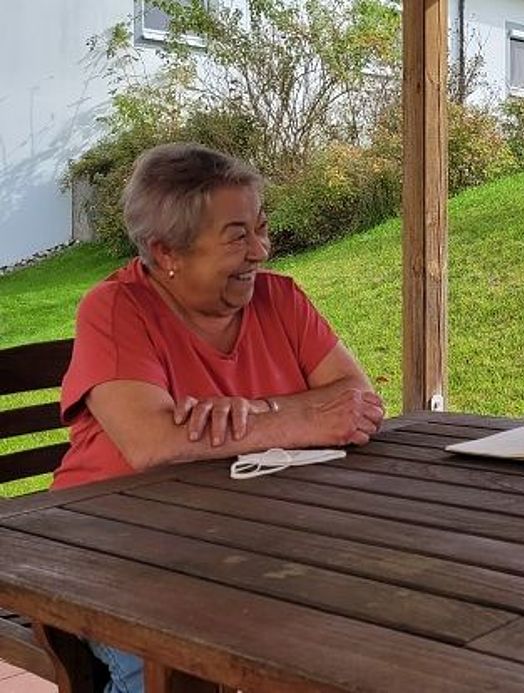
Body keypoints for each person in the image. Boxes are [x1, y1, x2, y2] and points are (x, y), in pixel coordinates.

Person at [55, 143, 384, 691]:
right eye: (237, 236)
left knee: (361, 631)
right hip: (115, 547)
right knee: (185, 671)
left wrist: (256, 411)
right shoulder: (117, 308)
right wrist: (301, 419)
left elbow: (357, 401)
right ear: (166, 254)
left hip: (244, 540)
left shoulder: (279, 300)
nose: (261, 251)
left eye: (261, 227)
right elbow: (151, 442)